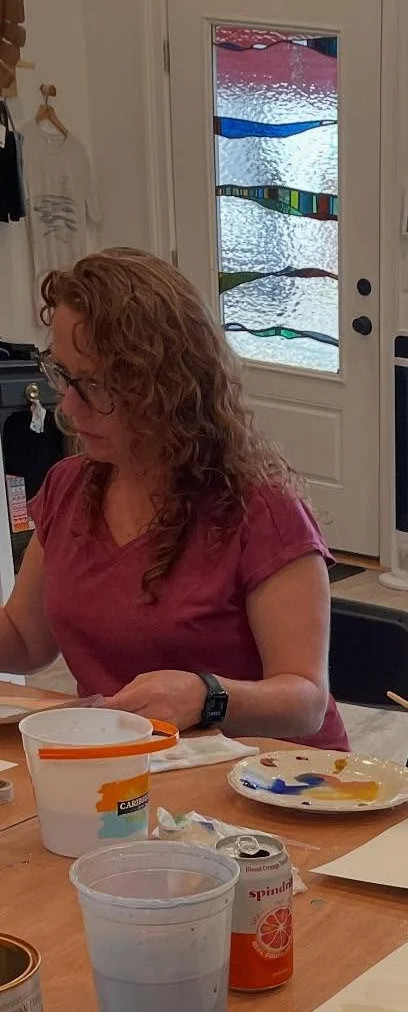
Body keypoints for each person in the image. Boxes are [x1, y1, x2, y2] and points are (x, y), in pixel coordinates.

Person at [0, 249, 342, 747]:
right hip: (136, 766)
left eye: (93, 385)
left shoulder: (260, 509)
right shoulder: (70, 486)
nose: (69, 407)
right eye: (64, 376)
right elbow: (24, 639)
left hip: (270, 776)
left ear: (165, 387)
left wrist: (208, 697)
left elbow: (305, 702)